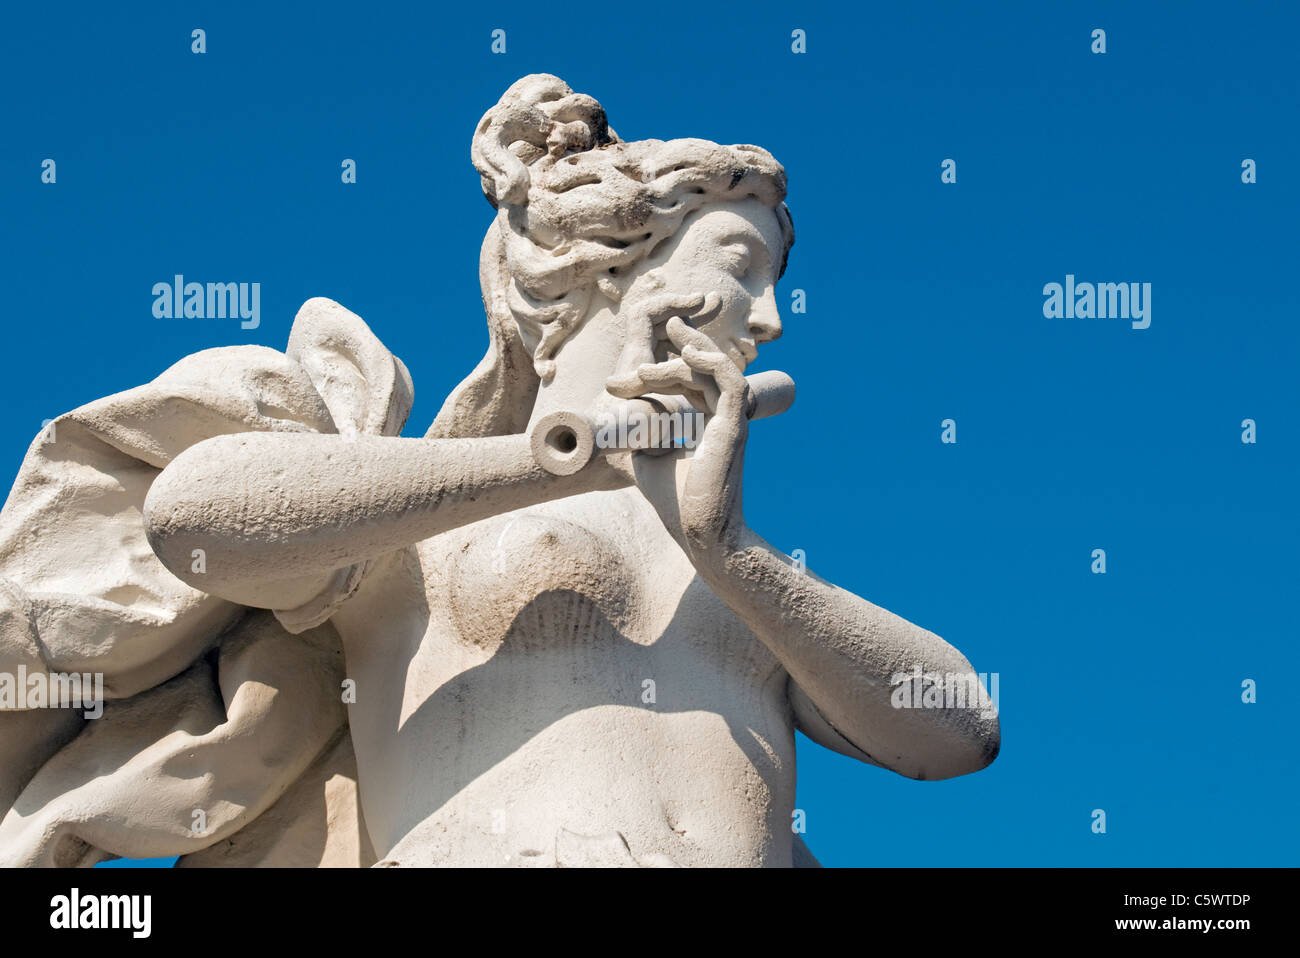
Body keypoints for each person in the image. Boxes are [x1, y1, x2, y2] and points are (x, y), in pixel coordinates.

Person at [0, 75, 997, 868]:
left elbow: (961, 729)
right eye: (739, 265)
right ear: (609, 261)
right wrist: (568, 454)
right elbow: (194, 517)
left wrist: (728, 551)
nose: (769, 318)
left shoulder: (734, 559)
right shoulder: (420, 516)